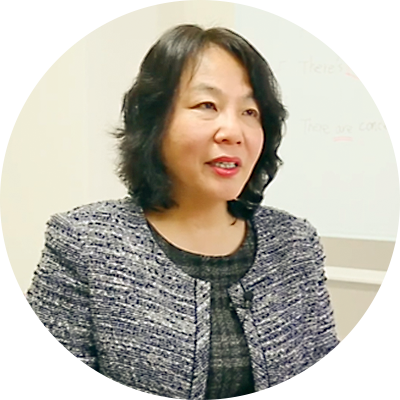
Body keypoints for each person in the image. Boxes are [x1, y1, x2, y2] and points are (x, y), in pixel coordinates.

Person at [14, 24, 349, 399]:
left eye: (250, 111)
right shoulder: (85, 243)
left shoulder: (294, 242)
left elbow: (326, 386)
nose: (233, 131)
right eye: (207, 106)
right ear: (155, 120)